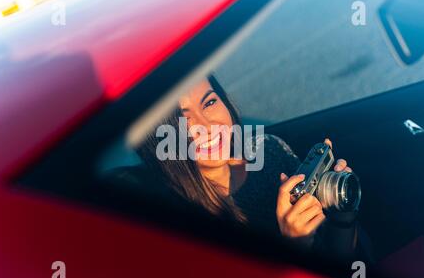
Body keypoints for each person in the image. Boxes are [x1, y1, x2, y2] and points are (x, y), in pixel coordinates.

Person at [134, 74, 360, 257]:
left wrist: (341, 211)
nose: (207, 125)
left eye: (210, 102)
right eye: (183, 119)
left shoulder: (268, 148)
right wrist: (293, 246)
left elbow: (339, 260)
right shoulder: (170, 224)